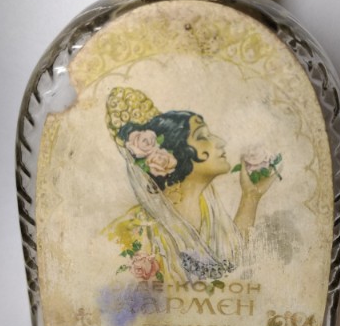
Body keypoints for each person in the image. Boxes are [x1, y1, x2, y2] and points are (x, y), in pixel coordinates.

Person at [102, 87, 279, 284]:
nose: (220, 142)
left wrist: (251, 196)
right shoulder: (131, 233)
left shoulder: (210, 214)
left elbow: (233, 263)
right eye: (202, 136)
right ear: (174, 155)